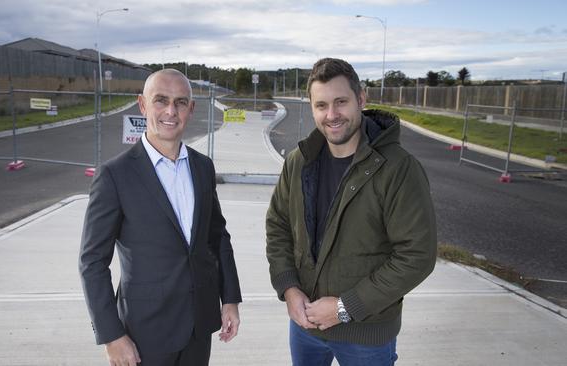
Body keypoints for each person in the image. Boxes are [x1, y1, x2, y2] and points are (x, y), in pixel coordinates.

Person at [265, 58, 437, 366]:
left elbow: (417, 255)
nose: (331, 115)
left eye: (340, 102)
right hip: (306, 327)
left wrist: (345, 307)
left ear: (361, 99)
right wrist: (289, 287)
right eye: (321, 105)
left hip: (366, 335)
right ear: (312, 107)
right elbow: (278, 225)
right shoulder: (298, 162)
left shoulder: (398, 169)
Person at [79, 68, 242, 366]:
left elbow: (217, 237)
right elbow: (92, 262)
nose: (171, 111)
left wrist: (229, 298)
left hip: (198, 327)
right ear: (142, 105)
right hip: (144, 334)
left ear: (191, 109)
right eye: (161, 100)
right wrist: (112, 336)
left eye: (181, 102)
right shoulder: (115, 175)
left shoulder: (203, 167)